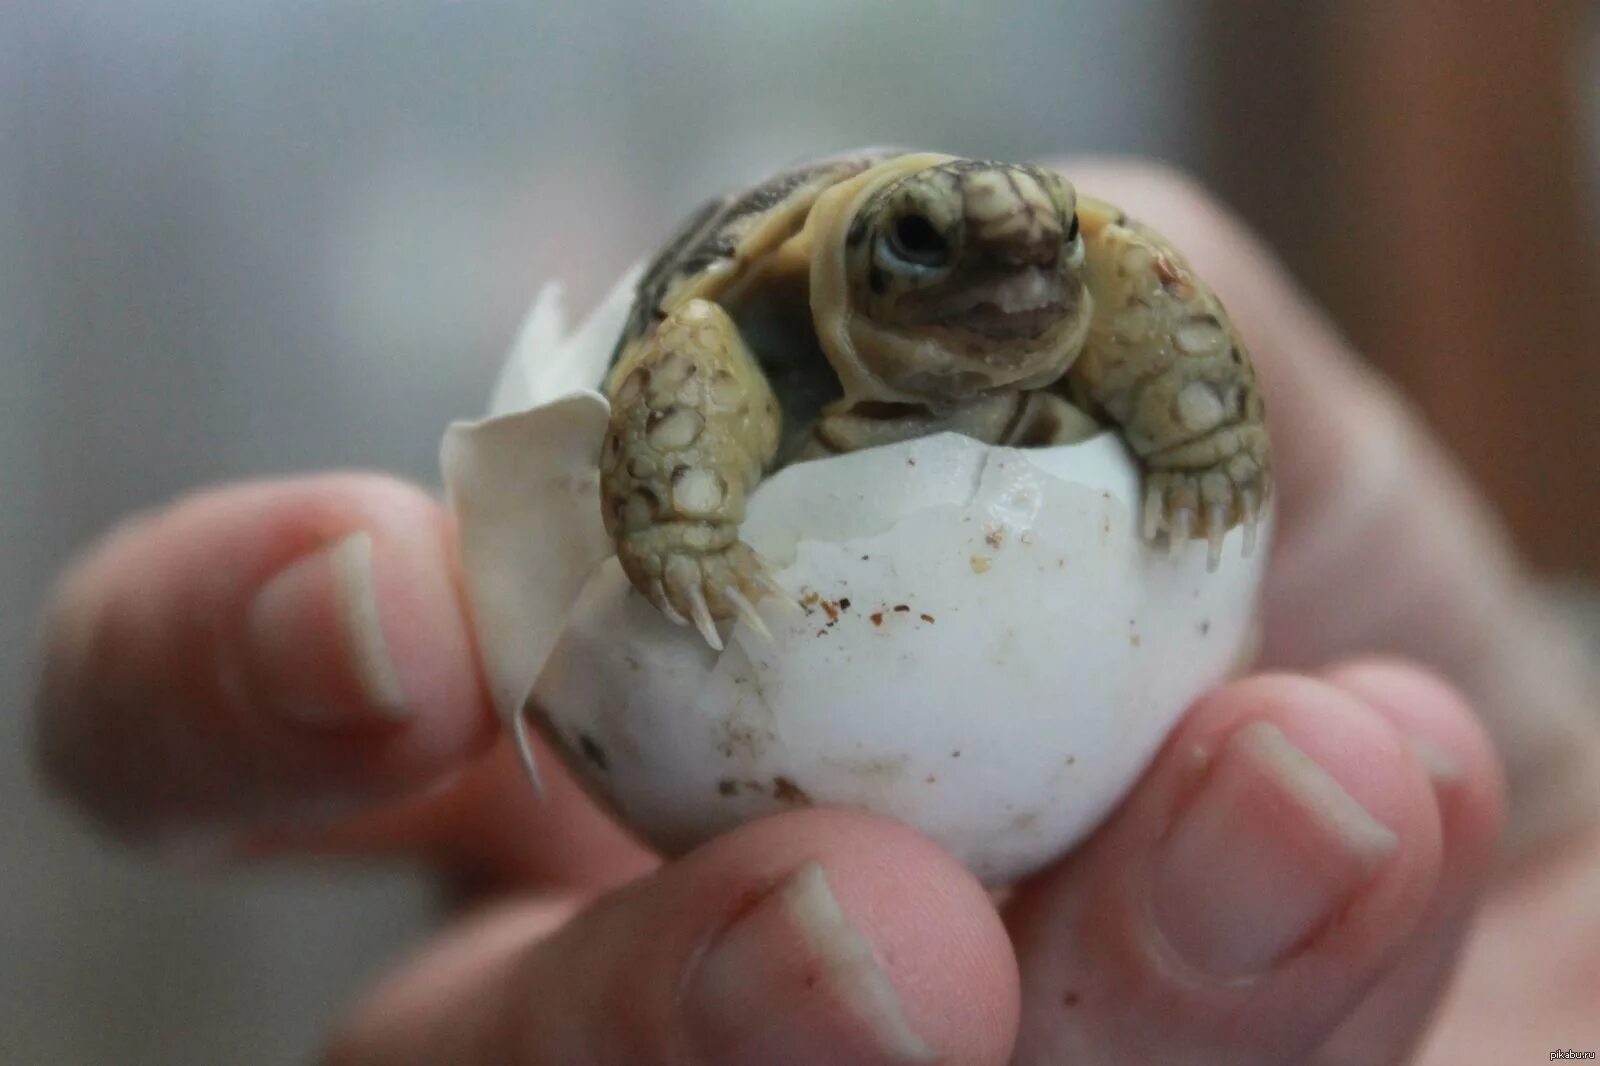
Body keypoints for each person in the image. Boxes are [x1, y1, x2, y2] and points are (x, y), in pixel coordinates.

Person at [32, 162, 1600, 1065]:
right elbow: (661, 396)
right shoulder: (732, 345)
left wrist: (1200, 438)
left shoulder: (1111, 294)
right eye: (923, 248)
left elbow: (1152, 340)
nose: (998, 273)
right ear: (842, 272)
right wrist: (673, 529)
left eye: (1039, 255)